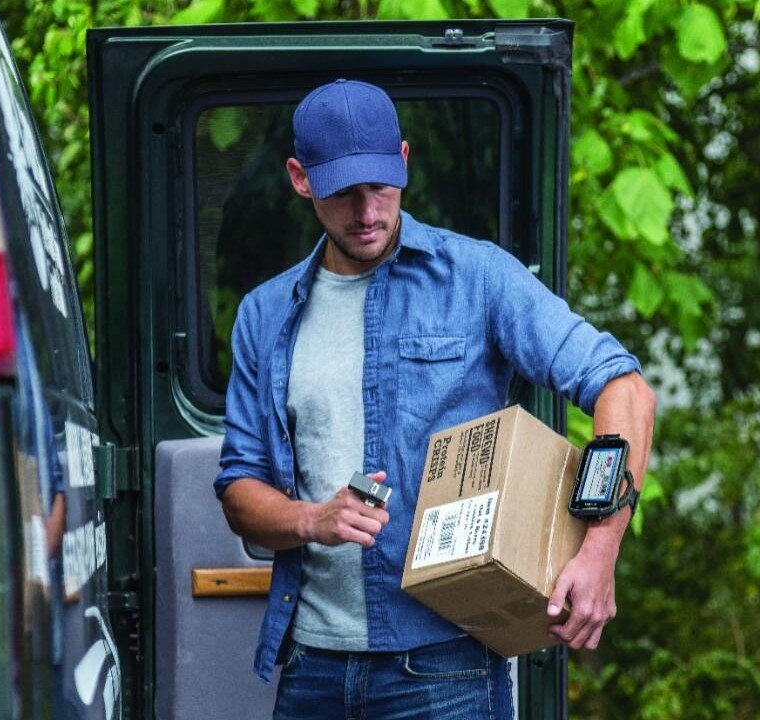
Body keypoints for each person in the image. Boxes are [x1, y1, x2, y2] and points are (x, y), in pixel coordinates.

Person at [215, 78, 656, 720]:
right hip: (309, 666)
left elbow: (624, 390)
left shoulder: (478, 278)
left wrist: (598, 551)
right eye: (343, 191)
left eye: (382, 186)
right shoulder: (263, 315)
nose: (368, 212)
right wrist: (313, 519)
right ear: (300, 178)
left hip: (446, 666)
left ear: (404, 159)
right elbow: (238, 488)